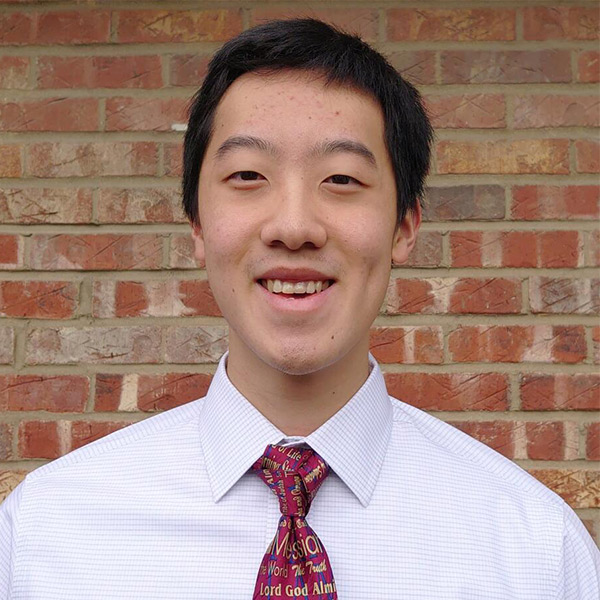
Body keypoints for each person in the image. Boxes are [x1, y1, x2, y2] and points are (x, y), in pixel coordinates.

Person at [0, 18, 598, 600]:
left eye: (340, 179)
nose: (293, 226)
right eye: (247, 174)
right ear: (199, 224)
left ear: (403, 227)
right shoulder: (45, 535)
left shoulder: (535, 550)